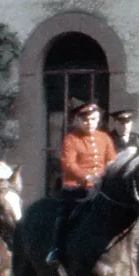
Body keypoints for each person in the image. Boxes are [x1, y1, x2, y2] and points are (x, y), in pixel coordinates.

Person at [45, 101, 118, 267]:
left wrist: (106, 175)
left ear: (98, 119)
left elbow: (112, 160)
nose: (89, 123)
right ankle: (56, 249)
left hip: (101, 187)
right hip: (77, 187)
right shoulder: (71, 139)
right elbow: (68, 164)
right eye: (85, 120)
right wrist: (87, 178)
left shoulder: (104, 138)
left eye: (93, 119)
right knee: (66, 215)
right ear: (78, 120)